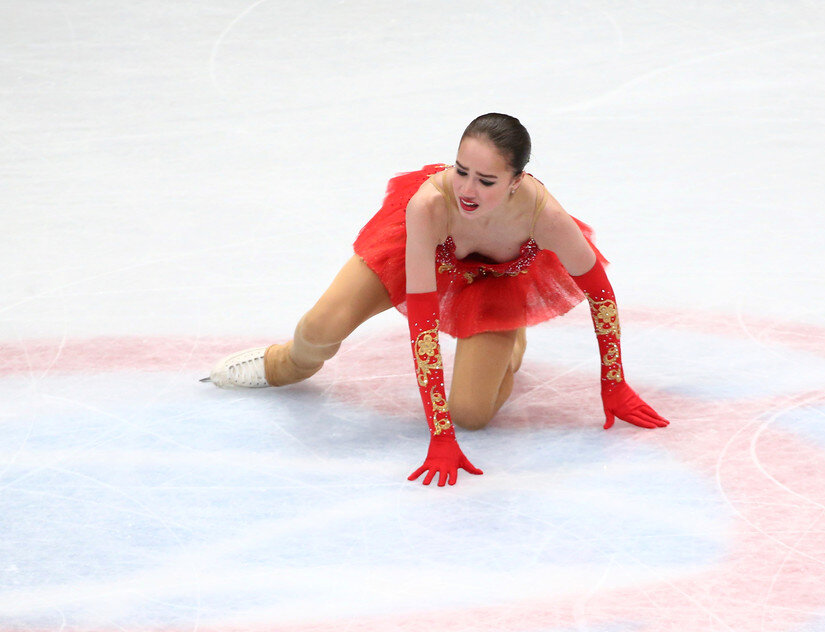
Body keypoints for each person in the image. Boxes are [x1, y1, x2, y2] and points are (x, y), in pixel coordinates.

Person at [204, 113, 669, 487]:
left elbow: (601, 295)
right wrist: (437, 432)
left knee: (471, 414)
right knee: (317, 330)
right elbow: (422, 324)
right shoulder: (429, 204)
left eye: (486, 181)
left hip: (492, 285)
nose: (467, 190)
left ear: (515, 180)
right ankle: (278, 364)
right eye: (461, 171)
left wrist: (613, 383)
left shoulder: (543, 216)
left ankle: (511, 342)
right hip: (423, 259)